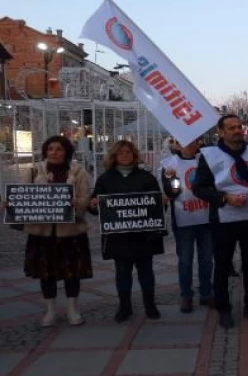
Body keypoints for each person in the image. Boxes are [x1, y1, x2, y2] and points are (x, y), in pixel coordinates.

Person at [193, 114, 248, 329]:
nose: (237, 130)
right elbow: (199, 188)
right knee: (222, 265)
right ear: (221, 132)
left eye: (239, 127)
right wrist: (224, 197)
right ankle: (223, 308)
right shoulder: (209, 156)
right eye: (231, 128)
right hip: (223, 218)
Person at [20, 136, 92, 327]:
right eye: (50, 149)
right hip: (43, 233)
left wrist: (76, 203)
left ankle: (72, 309)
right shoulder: (34, 170)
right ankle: (50, 311)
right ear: (45, 151)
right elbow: (22, 195)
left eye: (59, 149)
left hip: (70, 232)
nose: (54, 152)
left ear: (66, 151)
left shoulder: (78, 172)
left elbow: (85, 198)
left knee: (72, 272)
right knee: (46, 273)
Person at [90, 140, 164, 322]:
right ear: (114, 156)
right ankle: (124, 307)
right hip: (118, 236)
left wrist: (162, 202)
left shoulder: (147, 178)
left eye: (128, 152)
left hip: (144, 236)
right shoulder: (105, 179)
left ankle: (150, 305)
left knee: (146, 272)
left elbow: (157, 206)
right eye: (121, 152)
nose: (125, 155)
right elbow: (95, 205)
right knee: (122, 273)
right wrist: (93, 205)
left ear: (134, 155)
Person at [161, 138, 213, 314]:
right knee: (185, 260)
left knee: (206, 259)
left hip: (206, 217)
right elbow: (170, 192)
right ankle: (186, 295)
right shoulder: (169, 164)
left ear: (198, 143)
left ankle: (206, 292)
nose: (189, 145)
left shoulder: (205, 160)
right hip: (183, 218)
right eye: (184, 142)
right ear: (177, 145)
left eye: (192, 141)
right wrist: (172, 183)